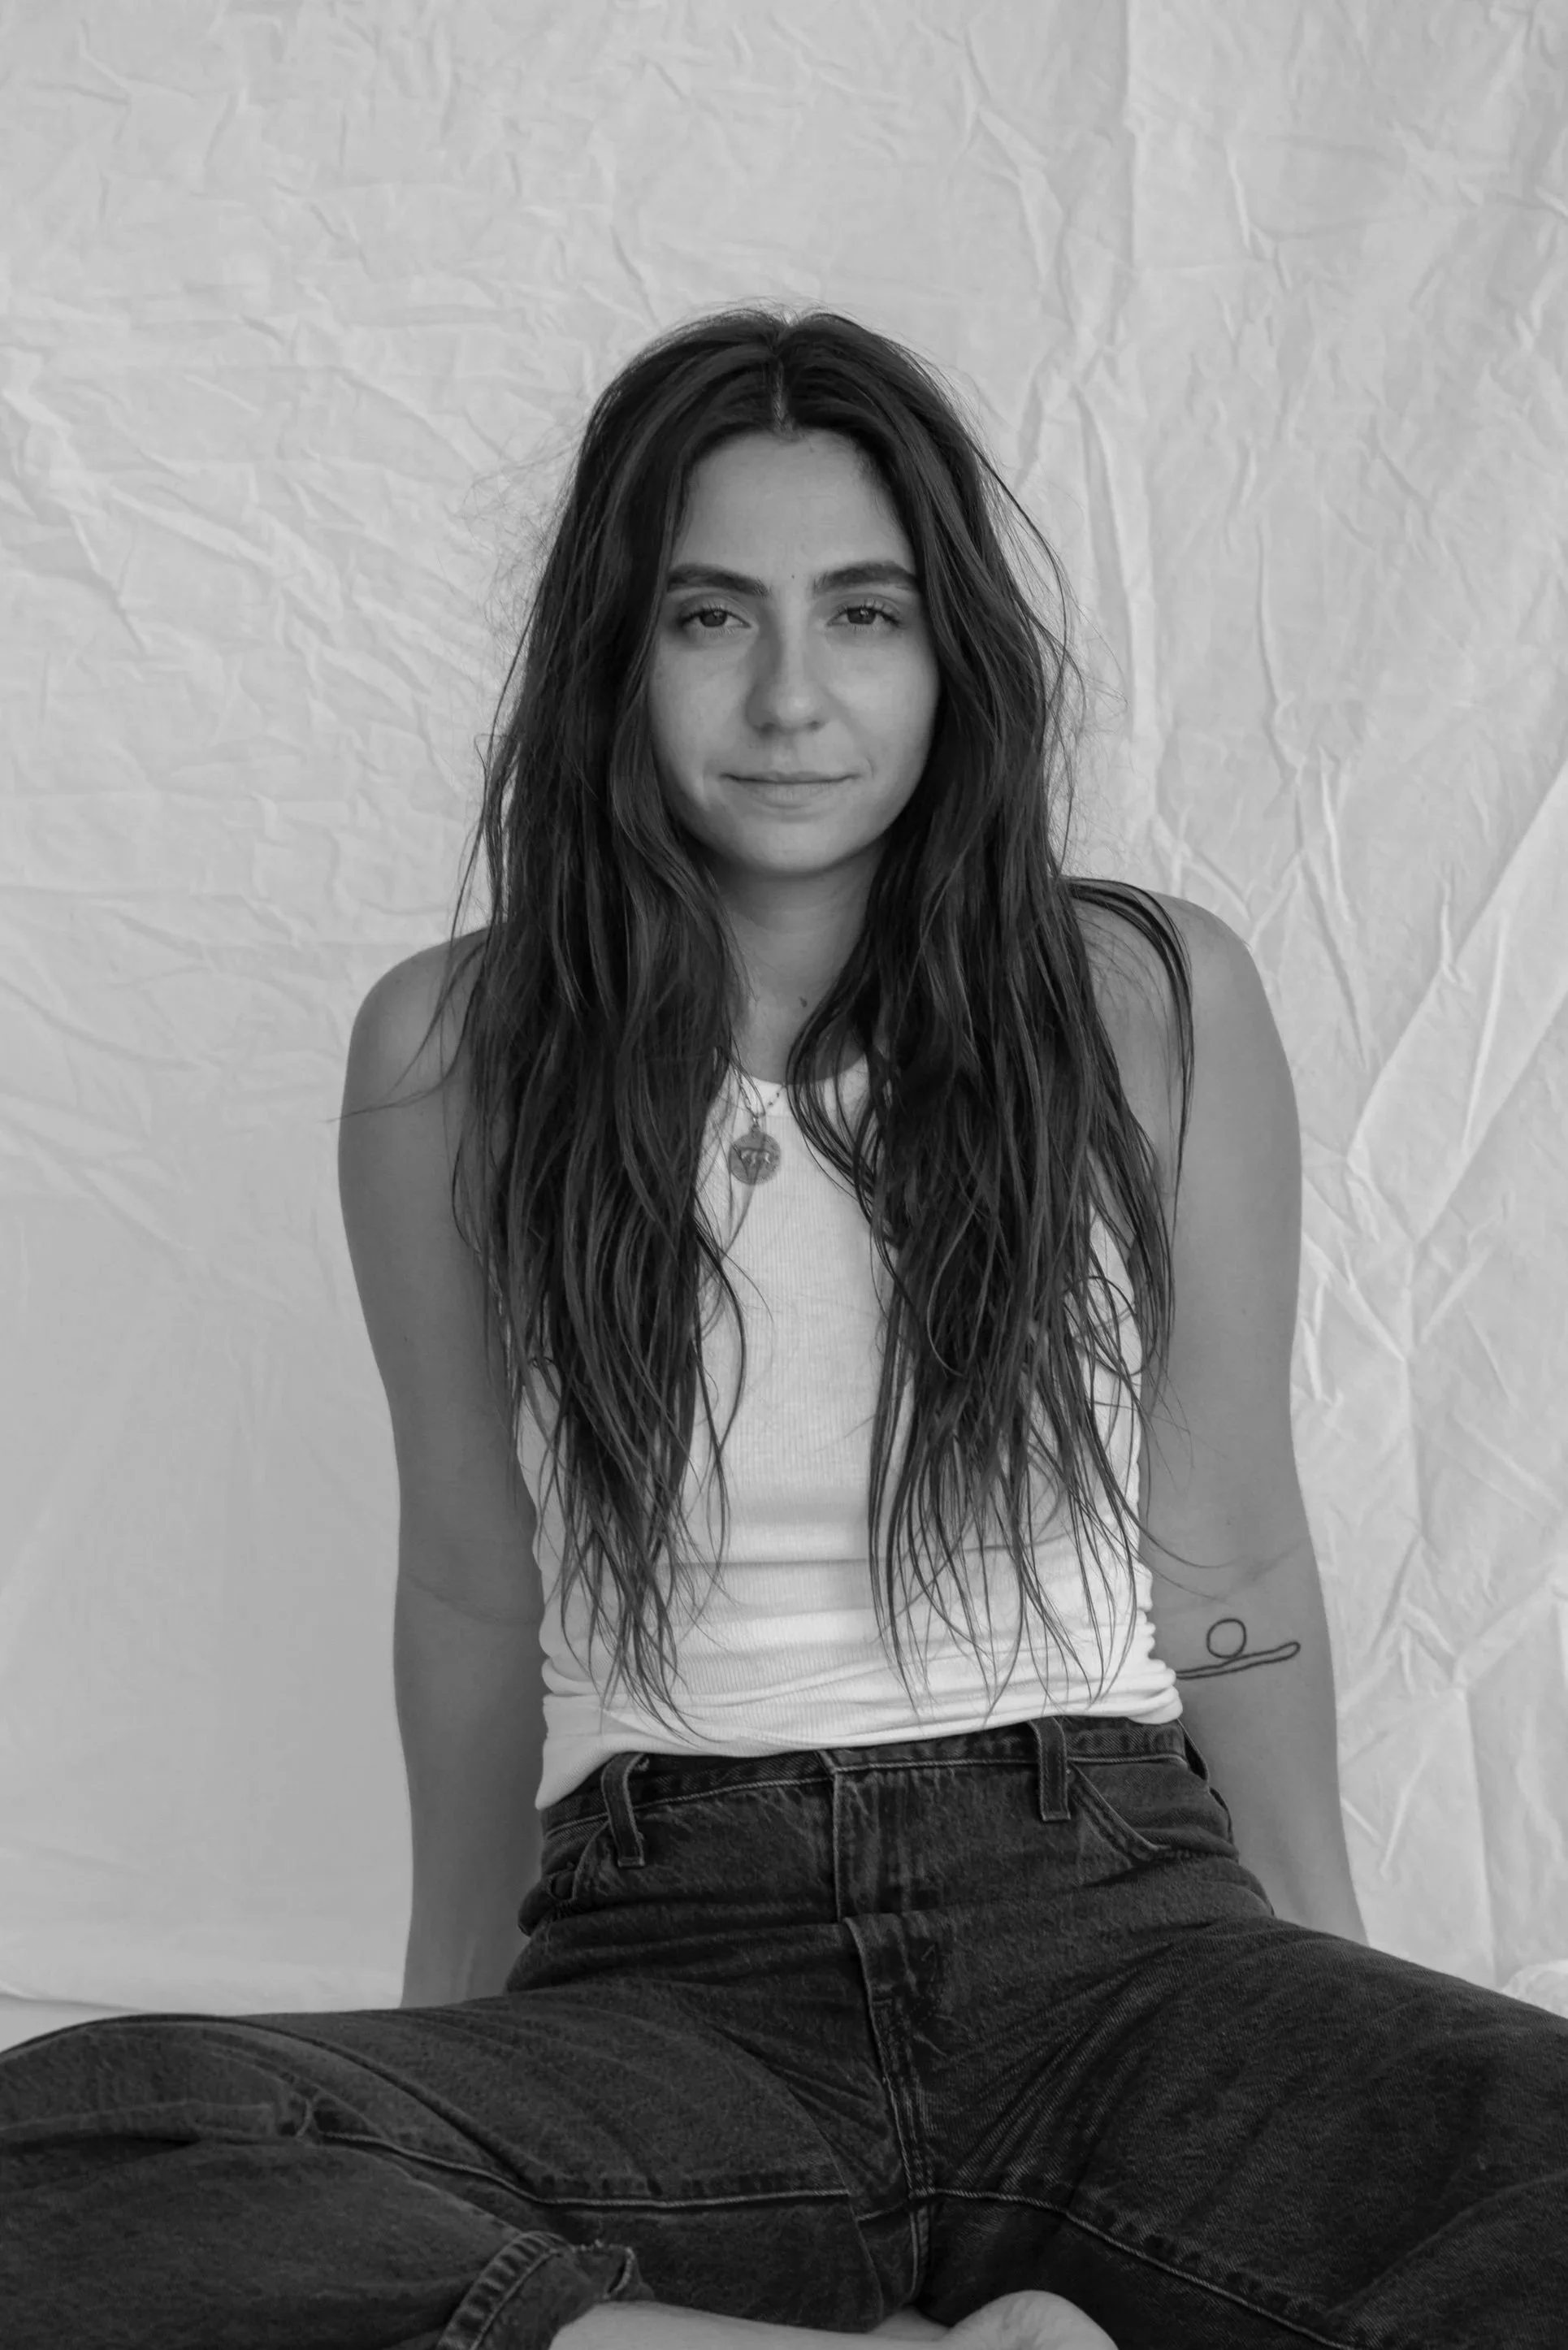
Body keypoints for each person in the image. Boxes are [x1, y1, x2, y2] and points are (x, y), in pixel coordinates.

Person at [2, 308, 1564, 2350]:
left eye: (863, 614)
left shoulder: (1138, 999)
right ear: (616, 655)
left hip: (1115, 1940)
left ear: (947, 655)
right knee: (83, 2128)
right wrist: (438, 2071)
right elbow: (473, 1592)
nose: (790, 698)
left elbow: (1231, 1553)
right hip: (677, 1987)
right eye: (708, 617)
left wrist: (1340, 2022)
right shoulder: (454, 1054)